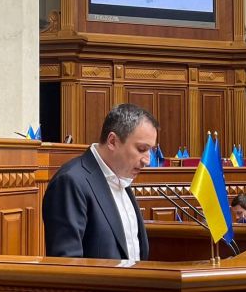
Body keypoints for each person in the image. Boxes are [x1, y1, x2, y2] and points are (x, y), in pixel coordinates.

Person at [42, 103, 159, 260]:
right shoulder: (71, 182)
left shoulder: (121, 178)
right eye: (141, 149)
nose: (147, 160)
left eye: (151, 150)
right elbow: (67, 264)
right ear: (112, 141)